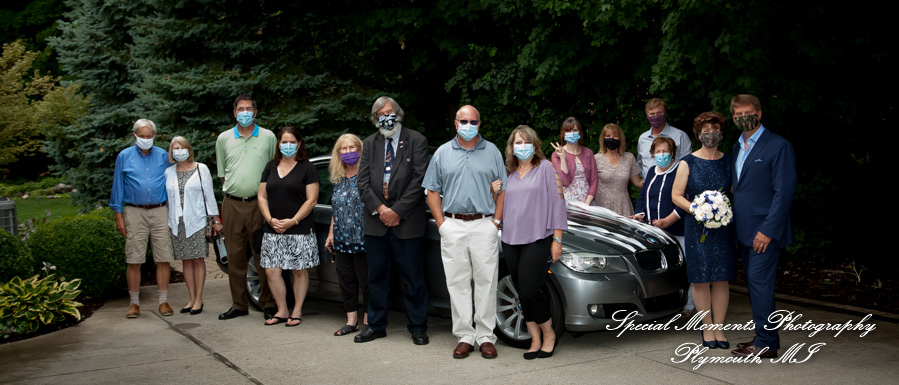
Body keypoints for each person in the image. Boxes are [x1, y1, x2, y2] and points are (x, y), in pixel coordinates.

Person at [423, 105, 506, 359]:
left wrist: (496, 223)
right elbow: (431, 191)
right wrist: (441, 224)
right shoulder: (442, 153)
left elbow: (503, 189)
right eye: (464, 121)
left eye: (473, 121)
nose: (469, 125)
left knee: (487, 281)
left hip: (484, 223)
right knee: (457, 282)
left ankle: (485, 336)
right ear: (456, 124)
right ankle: (465, 335)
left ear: (480, 124)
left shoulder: (491, 151)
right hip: (453, 225)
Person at [355, 96, 430, 345]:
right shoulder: (369, 144)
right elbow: (362, 182)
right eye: (380, 114)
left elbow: (420, 179)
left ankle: (418, 327)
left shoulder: (416, 140)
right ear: (375, 120)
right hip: (376, 223)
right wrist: (380, 209)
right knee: (376, 277)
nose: (386, 117)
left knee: (413, 278)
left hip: (407, 222)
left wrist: (396, 211)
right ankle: (375, 325)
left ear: (398, 113)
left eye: (389, 112)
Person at [728, 95, 796, 359]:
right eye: (737, 114)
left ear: (759, 113)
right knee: (756, 285)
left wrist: (768, 230)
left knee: (759, 284)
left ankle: (767, 342)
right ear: (733, 118)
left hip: (764, 232)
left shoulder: (778, 146)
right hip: (743, 231)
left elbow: (784, 192)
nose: (743, 117)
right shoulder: (737, 147)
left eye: (748, 112)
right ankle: (764, 336)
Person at [500, 125, 567, 360]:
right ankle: (535, 339)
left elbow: (558, 203)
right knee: (521, 292)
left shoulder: (547, 168)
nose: (522, 146)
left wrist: (557, 240)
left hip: (538, 237)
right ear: (511, 147)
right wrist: (493, 192)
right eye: (517, 142)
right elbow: (499, 207)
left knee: (531, 290)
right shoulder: (507, 173)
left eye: (526, 141)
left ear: (535, 145)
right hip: (510, 239)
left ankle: (549, 335)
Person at [672, 111, 736, 350]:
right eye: (706, 130)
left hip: (722, 227)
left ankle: (719, 326)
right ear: (698, 133)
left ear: (722, 132)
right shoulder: (687, 162)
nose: (711, 134)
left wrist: (721, 211)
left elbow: (733, 193)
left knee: (721, 277)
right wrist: (699, 210)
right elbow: (676, 195)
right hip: (696, 225)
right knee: (701, 279)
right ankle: (707, 326)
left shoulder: (729, 161)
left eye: (715, 129)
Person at [215, 94, 277, 320]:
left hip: (260, 205)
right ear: (234, 113)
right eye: (240, 109)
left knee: (263, 256)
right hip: (232, 205)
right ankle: (239, 304)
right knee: (235, 257)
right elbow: (223, 175)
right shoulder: (223, 138)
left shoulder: (269, 137)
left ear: (255, 112)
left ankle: (268, 303)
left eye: (249, 108)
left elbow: (274, 170)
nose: (245, 112)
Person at [110, 118, 174, 318]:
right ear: (134, 135)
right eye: (142, 136)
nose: (146, 139)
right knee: (134, 259)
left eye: (149, 136)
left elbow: (171, 184)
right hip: (134, 211)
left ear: (154, 136)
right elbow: (118, 186)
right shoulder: (124, 156)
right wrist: (118, 215)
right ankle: (134, 303)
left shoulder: (164, 155)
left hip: (160, 210)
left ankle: (163, 301)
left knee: (163, 258)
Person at [257, 127, 320, 327]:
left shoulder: (307, 168)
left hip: (298, 228)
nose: (288, 146)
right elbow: (261, 196)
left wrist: (293, 221)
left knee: (299, 271)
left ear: (299, 144)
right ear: (278, 144)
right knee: (271, 272)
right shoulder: (270, 166)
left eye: (292, 142)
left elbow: (311, 200)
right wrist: (269, 219)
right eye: (284, 142)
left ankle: (298, 310)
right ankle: (282, 310)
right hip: (273, 228)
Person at [164, 136, 221, 315]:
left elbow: (208, 195)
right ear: (171, 152)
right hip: (177, 223)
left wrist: (216, 219)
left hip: (196, 220)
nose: (179, 151)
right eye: (175, 148)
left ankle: (199, 299)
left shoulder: (200, 169)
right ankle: (190, 298)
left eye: (182, 148)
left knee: (197, 259)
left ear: (189, 150)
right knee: (185, 260)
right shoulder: (169, 172)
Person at [324, 133, 370, 336]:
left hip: (365, 238)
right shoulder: (338, 178)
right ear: (338, 153)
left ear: (360, 150)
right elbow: (336, 209)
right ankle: (351, 321)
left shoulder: (368, 175)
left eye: (352, 147)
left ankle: (369, 321)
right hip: (342, 239)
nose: (348, 152)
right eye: (344, 148)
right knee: (346, 281)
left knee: (367, 281)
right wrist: (331, 233)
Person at [633, 137, 685, 239]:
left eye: (665, 151)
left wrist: (667, 221)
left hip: (675, 232)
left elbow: (684, 200)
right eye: (658, 151)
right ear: (653, 154)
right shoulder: (652, 171)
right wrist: (639, 214)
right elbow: (643, 196)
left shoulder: (680, 170)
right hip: (651, 231)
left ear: (672, 153)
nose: (661, 154)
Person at [636, 98, 693, 178]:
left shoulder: (680, 135)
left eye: (659, 113)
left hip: (673, 186)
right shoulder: (643, 138)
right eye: (652, 114)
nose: (655, 117)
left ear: (665, 113)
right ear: (647, 116)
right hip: (649, 186)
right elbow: (640, 163)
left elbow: (688, 163)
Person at [594, 123, 642, 215]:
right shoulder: (596, 158)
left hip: (623, 207)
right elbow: (589, 184)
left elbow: (638, 182)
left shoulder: (629, 158)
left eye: (615, 136)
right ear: (603, 139)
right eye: (608, 136)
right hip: (602, 208)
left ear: (620, 138)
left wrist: (657, 179)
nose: (611, 138)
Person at [550, 117, 597, 204]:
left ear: (580, 132)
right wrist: (563, 158)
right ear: (563, 134)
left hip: (587, 203)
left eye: (575, 130)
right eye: (568, 131)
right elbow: (565, 181)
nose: (572, 133)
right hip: (567, 203)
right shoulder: (556, 155)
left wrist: (587, 205)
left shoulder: (588, 153)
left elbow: (594, 181)